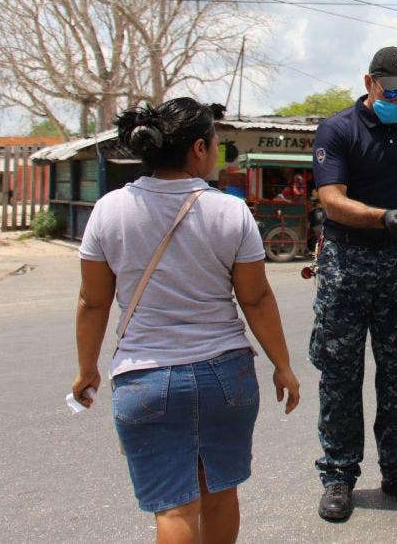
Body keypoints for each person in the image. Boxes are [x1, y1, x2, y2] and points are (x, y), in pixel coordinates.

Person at [71, 97, 300, 543]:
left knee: (175, 509)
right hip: (225, 377)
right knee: (218, 494)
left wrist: (86, 369)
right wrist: (283, 366)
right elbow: (255, 300)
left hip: (145, 378)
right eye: (215, 142)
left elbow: (92, 303)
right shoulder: (230, 211)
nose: (217, 150)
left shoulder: (109, 210)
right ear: (198, 148)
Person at [310, 45, 397, 521]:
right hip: (346, 263)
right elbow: (332, 199)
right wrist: (383, 218)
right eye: (393, 89)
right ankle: (338, 476)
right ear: (370, 83)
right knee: (340, 374)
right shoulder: (338, 129)